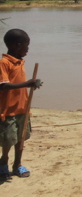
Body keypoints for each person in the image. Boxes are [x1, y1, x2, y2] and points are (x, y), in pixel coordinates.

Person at [0, 29, 43, 180]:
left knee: (21, 138)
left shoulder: (20, 61)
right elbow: (3, 86)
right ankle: (4, 162)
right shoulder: (4, 63)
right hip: (8, 110)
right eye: (26, 46)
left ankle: (17, 164)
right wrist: (27, 83)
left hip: (22, 108)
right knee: (8, 139)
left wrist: (33, 85)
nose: (28, 49)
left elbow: (21, 83)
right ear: (17, 45)